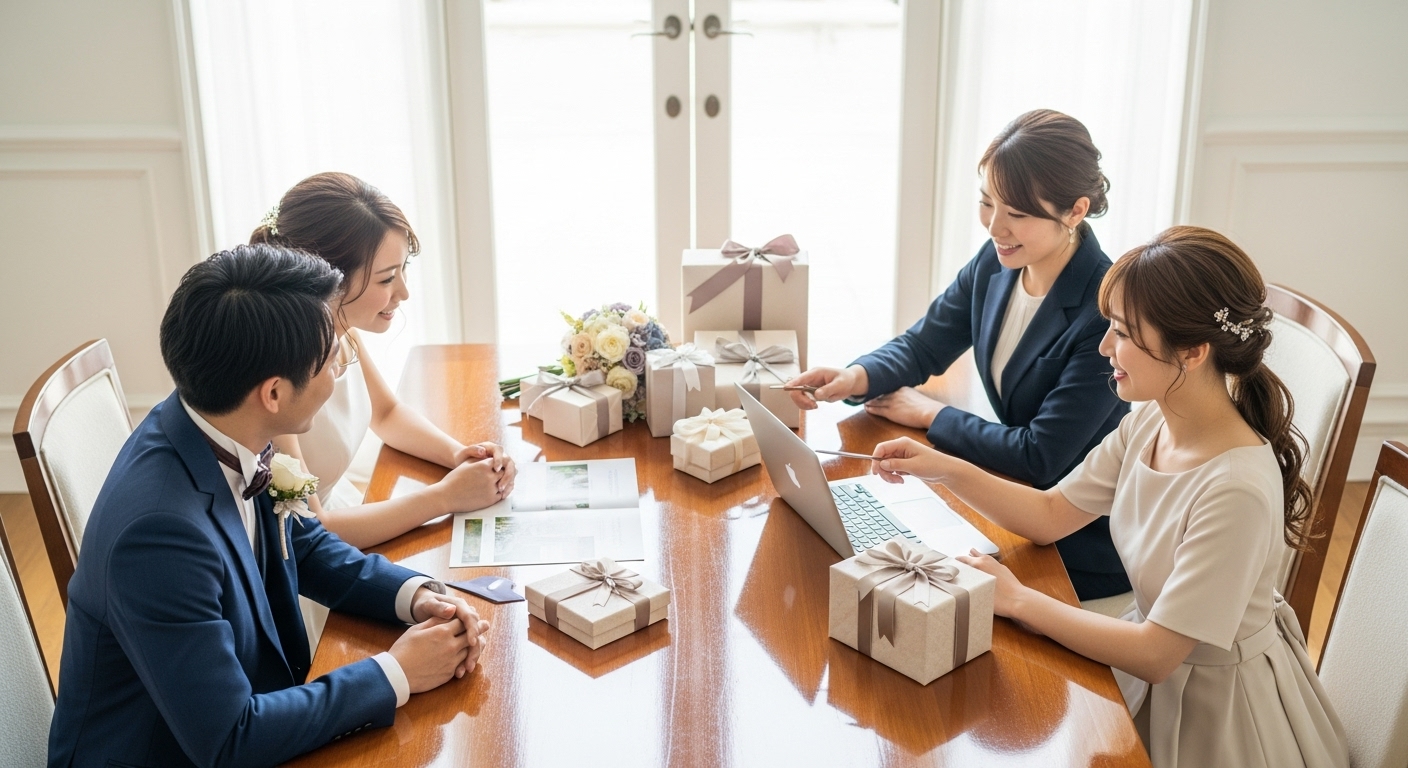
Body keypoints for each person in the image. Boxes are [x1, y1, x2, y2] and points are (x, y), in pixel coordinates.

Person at [871, 227, 1349, 767]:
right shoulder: (1150, 422)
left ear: (1192, 352)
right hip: (1145, 656)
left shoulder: (1235, 488)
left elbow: (1157, 653)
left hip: (1215, 714)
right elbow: (1051, 514)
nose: (1103, 346)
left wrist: (1018, 599)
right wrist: (942, 469)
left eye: (1122, 332)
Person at [48, 245, 492, 767]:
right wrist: (397, 673)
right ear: (274, 393)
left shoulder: (216, 423)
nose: (339, 369)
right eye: (332, 358)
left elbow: (301, 543)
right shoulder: (159, 536)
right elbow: (230, 740)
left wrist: (417, 596)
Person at [786, 109, 1129, 601]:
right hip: (1008, 498)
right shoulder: (999, 260)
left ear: (1075, 211)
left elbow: (1040, 455)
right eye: (987, 203)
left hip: (1071, 540)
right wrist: (855, 376)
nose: (995, 227)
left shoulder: (1103, 310)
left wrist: (931, 414)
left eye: (1017, 214)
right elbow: (926, 342)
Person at [251, 172, 516, 550]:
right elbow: (312, 530)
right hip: (309, 552)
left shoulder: (342, 330)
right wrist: (445, 497)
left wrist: (459, 454)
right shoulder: (280, 378)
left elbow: (387, 414)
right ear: (329, 281)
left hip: (350, 514)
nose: (403, 292)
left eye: (403, 269)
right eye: (387, 279)